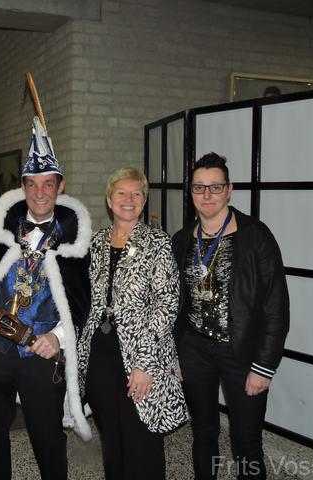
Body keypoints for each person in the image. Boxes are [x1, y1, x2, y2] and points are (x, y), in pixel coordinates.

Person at [0, 116, 92, 480]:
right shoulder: (1, 233)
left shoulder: (74, 241)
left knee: (48, 439)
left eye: (48, 184)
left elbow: (82, 302)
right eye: (32, 184)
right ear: (23, 186)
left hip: (41, 354)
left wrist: (56, 338)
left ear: (60, 186)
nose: (40, 193)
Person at [172, 153, 289, 479]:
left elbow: (276, 306)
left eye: (215, 187)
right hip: (194, 349)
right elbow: (175, 304)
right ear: (191, 192)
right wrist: (175, 353)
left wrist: (264, 366)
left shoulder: (256, 236)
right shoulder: (182, 239)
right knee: (203, 432)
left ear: (229, 190)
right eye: (199, 187)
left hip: (243, 352)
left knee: (247, 442)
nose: (207, 195)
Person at [76, 167, 188, 480]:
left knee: (141, 443)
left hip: (140, 357)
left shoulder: (157, 242)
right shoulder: (97, 242)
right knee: (111, 440)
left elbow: (167, 304)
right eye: (121, 193)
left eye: (136, 194)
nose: (129, 199)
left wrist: (145, 365)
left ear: (143, 200)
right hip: (99, 358)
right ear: (109, 200)